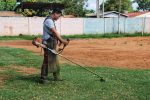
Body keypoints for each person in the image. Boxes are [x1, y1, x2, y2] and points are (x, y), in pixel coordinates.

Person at [40, 9, 69, 84]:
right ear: (55, 13)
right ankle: (43, 78)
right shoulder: (49, 21)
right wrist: (62, 41)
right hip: (48, 43)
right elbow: (54, 32)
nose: (58, 18)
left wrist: (59, 42)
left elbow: (55, 34)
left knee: (55, 59)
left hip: (52, 42)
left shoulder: (51, 21)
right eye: (58, 16)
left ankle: (56, 76)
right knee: (47, 60)